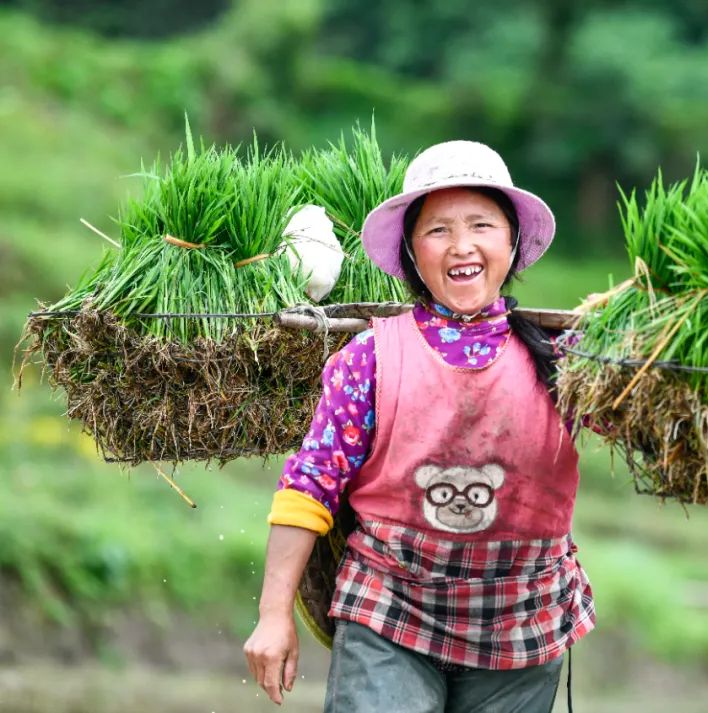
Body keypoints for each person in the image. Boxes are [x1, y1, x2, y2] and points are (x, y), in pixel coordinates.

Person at [244, 140, 595, 712]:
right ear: (410, 251)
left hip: (522, 626)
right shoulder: (371, 359)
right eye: (438, 231)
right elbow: (309, 487)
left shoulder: (568, 361)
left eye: (482, 225)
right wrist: (272, 614)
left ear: (512, 243)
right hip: (389, 612)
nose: (462, 246)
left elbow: (652, 422)